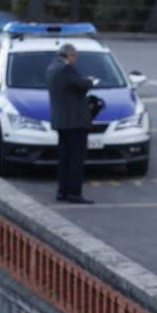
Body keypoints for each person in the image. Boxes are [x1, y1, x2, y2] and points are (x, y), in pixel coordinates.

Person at [46, 43, 96, 205]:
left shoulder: (52, 68)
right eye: (74, 57)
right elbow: (81, 84)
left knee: (64, 159)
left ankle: (62, 191)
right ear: (69, 55)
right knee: (76, 159)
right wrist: (90, 81)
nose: (75, 60)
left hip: (62, 121)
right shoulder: (66, 69)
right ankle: (74, 193)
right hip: (74, 121)